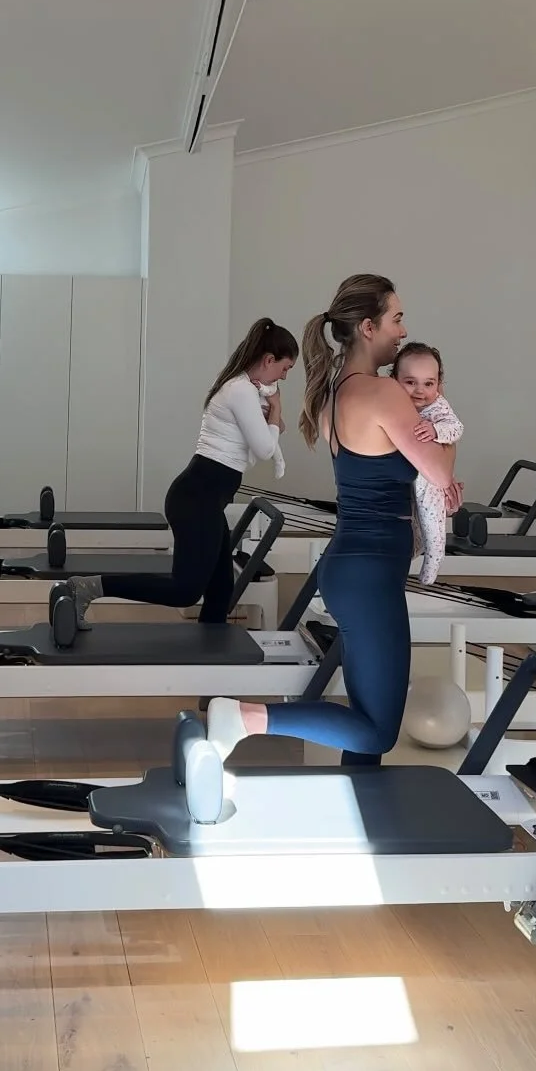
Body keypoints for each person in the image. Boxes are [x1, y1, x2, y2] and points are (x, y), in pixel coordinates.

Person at [205, 275, 459, 768]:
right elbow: (440, 471)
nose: (403, 331)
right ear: (368, 327)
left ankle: (362, 805)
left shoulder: (335, 394)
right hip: (367, 573)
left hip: (356, 568)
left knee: (368, 720)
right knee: (376, 730)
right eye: (396, 318)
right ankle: (245, 718)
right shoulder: (382, 392)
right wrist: (446, 421)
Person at [52, 318, 298, 628]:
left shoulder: (243, 389)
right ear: (269, 360)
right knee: (185, 591)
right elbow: (264, 449)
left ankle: (211, 650)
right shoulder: (240, 390)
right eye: (285, 368)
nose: (284, 377)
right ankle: (87, 588)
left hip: (204, 498)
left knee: (221, 589)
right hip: (197, 499)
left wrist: (273, 414)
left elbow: (270, 434)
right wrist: (276, 408)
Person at [391, 342, 464, 586]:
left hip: (429, 482)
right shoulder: (392, 403)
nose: (419, 391)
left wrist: (436, 430)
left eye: (428, 384)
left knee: (434, 530)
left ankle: (429, 575)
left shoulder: (438, 406)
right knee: (411, 526)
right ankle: (407, 566)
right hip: (403, 479)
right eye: (410, 382)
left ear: (438, 384)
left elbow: (456, 428)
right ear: (394, 379)